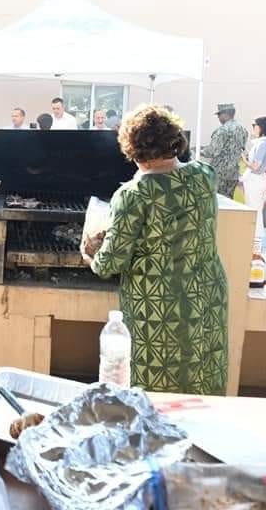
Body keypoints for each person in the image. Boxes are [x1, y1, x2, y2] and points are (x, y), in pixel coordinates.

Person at [84, 104, 228, 395]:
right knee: (202, 380)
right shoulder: (205, 175)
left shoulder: (134, 195)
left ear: (132, 148)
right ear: (174, 139)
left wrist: (90, 251)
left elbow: (109, 263)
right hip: (207, 296)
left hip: (158, 308)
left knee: (156, 395)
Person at [241, 116, 266, 251]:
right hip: (261, 179)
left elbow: (255, 166)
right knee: (257, 211)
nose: (253, 127)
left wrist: (244, 159)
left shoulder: (261, 144)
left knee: (254, 212)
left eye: (254, 125)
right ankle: (256, 243)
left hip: (255, 180)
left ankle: (255, 244)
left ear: (261, 127)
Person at [201, 103, 248, 198]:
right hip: (233, 173)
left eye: (219, 115)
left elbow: (213, 151)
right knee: (228, 201)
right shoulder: (243, 129)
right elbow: (239, 148)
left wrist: (199, 150)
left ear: (225, 114)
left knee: (216, 200)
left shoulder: (223, 130)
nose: (218, 117)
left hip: (220, 173)